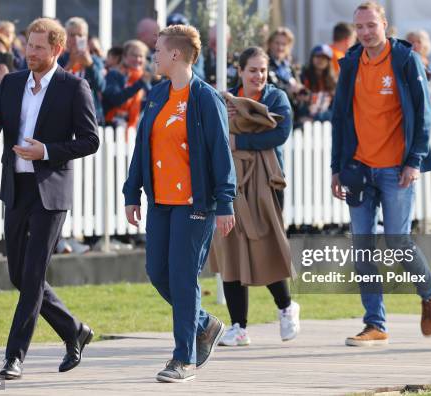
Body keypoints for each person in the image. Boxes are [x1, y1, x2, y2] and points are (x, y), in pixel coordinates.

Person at [0, 17, 99, 380]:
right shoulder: (10, 83)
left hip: (50, 193)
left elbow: (91, 140)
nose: (30, 52)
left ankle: (15, 357)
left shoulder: (74, 87)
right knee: (18, 274)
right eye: (28, 45)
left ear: (56, 49)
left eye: (39, 47)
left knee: (32, 275)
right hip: (16, 189)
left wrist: (46, 152)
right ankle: (74, 329)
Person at [123, 24, 236, 383]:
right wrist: (131, 193)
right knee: (158, 272)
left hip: (195, 205)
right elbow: (143, 147)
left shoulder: (205, 98)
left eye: (157, 50)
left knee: (184, 279)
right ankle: (205, 324)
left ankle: (183, 358)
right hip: (160, 204)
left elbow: (221, 153)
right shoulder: (157, 95)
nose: (153, 55)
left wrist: (225, 203)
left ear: (176, 54)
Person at [330, 1, 431, 346]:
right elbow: (339, 118)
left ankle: (429, 292)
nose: (365, 33)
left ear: (384, 25)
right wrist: (336, 167)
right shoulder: (350, 62)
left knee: (397, 241)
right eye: (359, 27)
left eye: (371, 26)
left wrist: (415, 160)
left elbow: (423, 112)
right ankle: (375, 324)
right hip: (359, 168)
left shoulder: (405, 59)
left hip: (396, 169)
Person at [209, 46, 299, 347]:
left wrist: (239, 138)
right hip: (231, 184)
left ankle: (286, 308)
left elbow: (279, 134)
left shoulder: (276, 98)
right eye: (252, 70)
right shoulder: (224, 101)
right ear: (240, 70)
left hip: (266, 184)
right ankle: (239, 326)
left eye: (262, 70)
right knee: (230, 250)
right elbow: (213, 134)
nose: (258, 75)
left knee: (265, 246)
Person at [58, 17, 106, 125]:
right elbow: (54, 84)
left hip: (90, 115)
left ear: (86, 37)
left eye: (80, 35)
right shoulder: (59, 59)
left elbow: (101, 86)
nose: (76, 39)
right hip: (64, 115)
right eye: (72, 35)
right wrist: (70, 64)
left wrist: (90, 65)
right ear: (65, 36)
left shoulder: (94, 60)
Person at [103, 39, 150, 130]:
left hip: (137, 128)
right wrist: (139, 83)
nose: (138, 59)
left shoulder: (145, 78)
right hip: (113, 127)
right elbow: (116, 99)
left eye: (141, 56)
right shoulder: (114, 74)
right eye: (134, 55)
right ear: (124, 56)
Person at [298, 44, 337, 122]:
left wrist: (316, 118)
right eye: (317, 56)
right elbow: (299, 104)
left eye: (324, 57)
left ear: (329, 61)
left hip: (326, 122)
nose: (320, 60)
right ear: (312, 58)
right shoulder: (302, 77)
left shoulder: (334, 81)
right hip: (304, 122)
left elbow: (336, 109)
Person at [266, 27, 303, 108]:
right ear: (270, 43)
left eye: (284, 44)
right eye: (277, 43)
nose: (280, 47)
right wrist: (287, 91)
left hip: (293, 111)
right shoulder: (264, 64)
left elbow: (298, 86)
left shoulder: (291, 65)